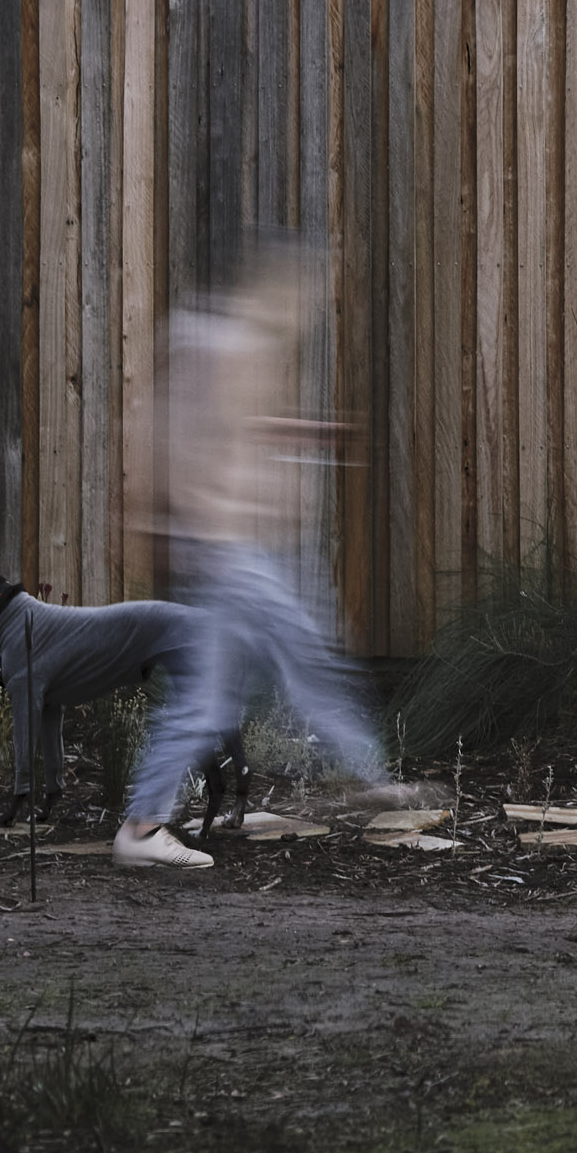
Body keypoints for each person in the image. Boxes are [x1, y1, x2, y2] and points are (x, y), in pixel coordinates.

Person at [113, 237, 410, 869]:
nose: (306, 313)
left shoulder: (214, 347)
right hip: (229, 550)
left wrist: (302, 434)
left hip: (223, 547)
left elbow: (215, 429)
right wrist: (169, 522)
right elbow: (174, 439)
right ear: (273, 294)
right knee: (306, 656)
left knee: (208, 699)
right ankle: (365, 774)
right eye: (301, 298)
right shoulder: (232, 348)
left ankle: (140, 829)